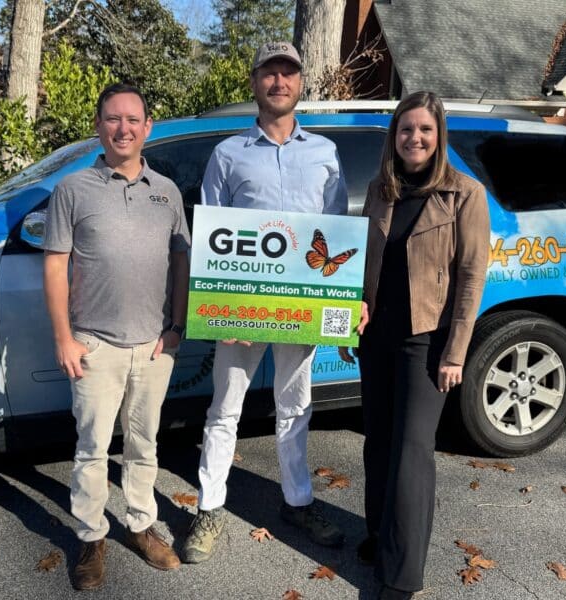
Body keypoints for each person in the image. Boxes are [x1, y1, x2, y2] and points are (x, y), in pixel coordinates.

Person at [182, 41, 350, 564]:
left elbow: (336, 230)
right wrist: (220, 308)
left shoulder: (325, 152)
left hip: (299, 307)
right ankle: (210, 507)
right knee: (224, 409)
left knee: (295, 407)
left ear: (300, 84)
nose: (279, 81)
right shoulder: (228, 153)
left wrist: (331, 310)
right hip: (241, 310)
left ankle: (298, 502)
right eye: (270, 72)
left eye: (289, 73)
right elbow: (211, 236)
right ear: (254, 82)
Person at [339, 91, 490, 599]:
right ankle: (382, 536)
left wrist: (456, 352)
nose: (415, 138)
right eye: (406, 130)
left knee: (411, 452)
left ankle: (403, 577)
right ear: (395, 136)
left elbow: (471, 277)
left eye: (424, 130)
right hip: (378, 336)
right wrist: (354, 311)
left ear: (438, 136)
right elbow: (364, 261)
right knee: (378, 441)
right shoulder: (382, 190)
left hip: (427, 341)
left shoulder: (464, 195)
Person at [42, 82, 190, 591]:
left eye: (133, 119)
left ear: (148, 127)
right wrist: (64, 338)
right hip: (95, 345)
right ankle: (90, 535)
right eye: (113, 118)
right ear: (99, 125)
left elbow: (181, 262)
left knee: (145, 444)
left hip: (153, 345)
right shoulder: (72, 190)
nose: (123, 128)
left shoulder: (167, 191)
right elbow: (56, 265)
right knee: (92, 448)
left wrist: (176, 329)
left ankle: (141, 524)